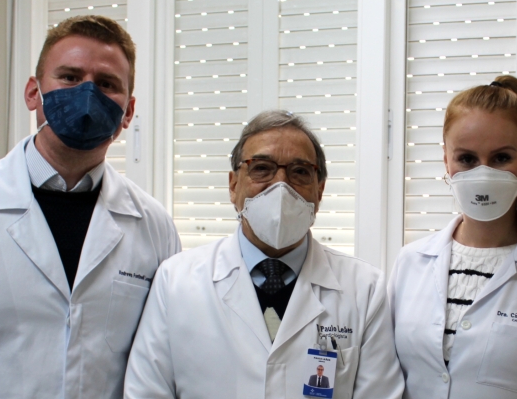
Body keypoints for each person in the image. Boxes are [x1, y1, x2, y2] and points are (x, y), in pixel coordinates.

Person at [124, 110, 404, 398]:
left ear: (319, 191)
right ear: (233, 186)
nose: (281, 185)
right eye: (261, 168)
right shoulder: (175, 282)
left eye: (300, 171)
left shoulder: (364, 290)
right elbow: (147, 392)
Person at [0, 15, 181, 398]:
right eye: (69, 77)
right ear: (33, 93)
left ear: (128, 112)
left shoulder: (154, 226)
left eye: (106, 84)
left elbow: (162, 360)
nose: (87, 94)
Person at [389, 75, 517, 399]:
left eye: (501, 158)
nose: (483, 174)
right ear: (446, 159)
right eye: (467, 159)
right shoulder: (410, 263)